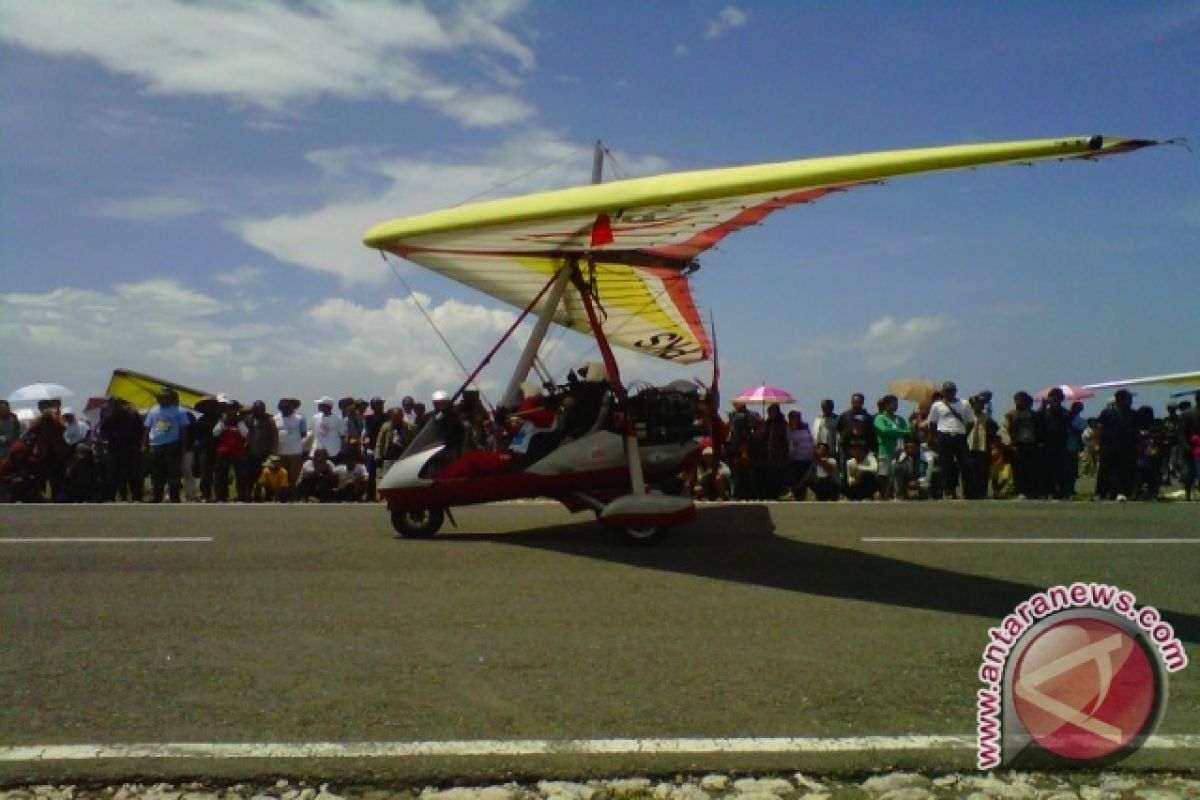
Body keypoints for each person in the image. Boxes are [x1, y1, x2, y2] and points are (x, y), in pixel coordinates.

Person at [926, 381, 975, 499]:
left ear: (955, 391)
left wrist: (964, 433)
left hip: (960, 435)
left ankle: (967, 491)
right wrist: (933, 437)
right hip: (944, 435)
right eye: (947, 391)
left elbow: (971, 422)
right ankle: (949, 491)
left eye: (952, 391)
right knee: (946, 465)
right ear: (943, 392)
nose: (949, 393)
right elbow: (933, 423)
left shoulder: (964, 404)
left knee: (966, 464)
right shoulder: (937, 405)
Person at [142, 389, 190, 503]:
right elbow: (147, 428)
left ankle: (174, 497)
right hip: (156, 445)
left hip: (172, 445)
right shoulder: (153, 410)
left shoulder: (179, 411)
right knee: (156, 473)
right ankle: (157, 496)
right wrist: (144, 444)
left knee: (173, 472)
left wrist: (184, 446)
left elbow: (184, 430)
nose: (162, 399)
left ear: (170, 398)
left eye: (165, 397)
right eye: (160, 397)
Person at [1095, 389, 1138, 501]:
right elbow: (1100, 428)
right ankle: (1101, 493)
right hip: (1109, 446)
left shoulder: (1132, 413)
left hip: (1126, 446)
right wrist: (1098, 444)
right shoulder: (1107, 413)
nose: (1130, 401)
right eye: (1128, 398)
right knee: (1105, 470)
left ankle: (1122, 492)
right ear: (1120, 399)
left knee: (1124, 470)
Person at [1004, 391, 1042, 499]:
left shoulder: (1034, 415)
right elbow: (1006, 429)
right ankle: (1021, 491)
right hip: (1017, 444)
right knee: (1018, 470)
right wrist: (1010, 443)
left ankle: (1032, 491)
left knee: (1032, 469)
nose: (1018, 403)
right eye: (1017, 400)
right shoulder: (1011, 414)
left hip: (1032, 444)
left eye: (1021, 400)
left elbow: (1039, 429)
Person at [1037, 388, 1073, 499]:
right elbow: (1037, 420)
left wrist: (1058, 410)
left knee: (1061, 470)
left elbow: (1068, 422)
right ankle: (1047, 492)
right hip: (1046, 444)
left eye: (1058, 397)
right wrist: (1043, 406)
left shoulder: (1065, 412)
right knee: (1046, 470)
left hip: (1060, 444)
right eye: (1053, 397)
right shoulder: (1044, 412)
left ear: (1062, 399)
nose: (1055, 400)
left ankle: (1062, 492)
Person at [211, 404, 250, 502]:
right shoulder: (222, 421)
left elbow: (246, 434)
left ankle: (241, 496)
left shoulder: (240, 422)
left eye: (233, 409)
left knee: (241, 476)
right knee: (220, 475)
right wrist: (223, 423)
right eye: (229, 409)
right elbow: (215, 433)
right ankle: (221, 496)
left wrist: (239, 422)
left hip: (238, 452)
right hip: (223, 451)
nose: (231, 411)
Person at [873, 394, 909, 499]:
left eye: (896, 404)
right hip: (885, 450)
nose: (896, 407)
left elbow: (908, 430)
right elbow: (884, 430)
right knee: (884, 474)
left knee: (898, 473)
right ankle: (884, 495)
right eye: (894, 404)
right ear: (886, 405)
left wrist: (895, 432)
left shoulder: (899, 419)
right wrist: (899, 431)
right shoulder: (880, 418)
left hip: (899, 451)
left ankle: (899, 494)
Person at [965, 394, 997, 499]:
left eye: (983, 404)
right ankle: (969, 493)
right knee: (969, 471)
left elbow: (993, 432)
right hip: (969, 447)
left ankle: (982, 492)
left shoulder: (987, 418)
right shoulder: (967, 416)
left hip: (983, 448)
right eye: (979, 403)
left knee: (982, 471)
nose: (981, 406)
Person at [273, 398, 306, 490]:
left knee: (294, 476)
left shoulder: (300, 418)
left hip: (295, 452)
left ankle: (294, 493)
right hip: (280, 452)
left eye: (288, 406)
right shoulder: (275, 418)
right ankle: (282, 494)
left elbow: (303, 434)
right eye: (283, 406)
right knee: (281, 475)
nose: (286, 408)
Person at [376, 406, 412, 479]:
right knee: (387, 478)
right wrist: (378, 456)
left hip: (403, 456)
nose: (397, 419)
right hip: (389, 455)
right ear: (391, 416)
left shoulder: (409, 427)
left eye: (399, 416)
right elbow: (379, 442)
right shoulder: (385, 427)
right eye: (395, 417)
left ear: (402, 416)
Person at [786, 410, 814, 500]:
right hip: (796, 458)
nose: (794, 419)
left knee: (805, 478)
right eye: (792, 417)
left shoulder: (805, 426)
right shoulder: (788, 428)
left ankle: (803, 495)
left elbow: (811, 439)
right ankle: (797, 495)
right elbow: (789, 441)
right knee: (797, 479)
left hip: (807, 457)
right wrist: (792, 429)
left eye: (796, 417)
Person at [310, 396, 346, 460]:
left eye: (321, 404)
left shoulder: (338, 419)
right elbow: (314, 433)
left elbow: (342, 435)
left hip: (333, 451)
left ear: (327, 406)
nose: (319, 406)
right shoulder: (315, 417)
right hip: (317, 450)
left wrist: (341, 450)